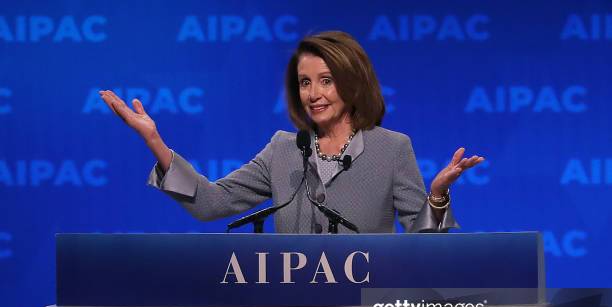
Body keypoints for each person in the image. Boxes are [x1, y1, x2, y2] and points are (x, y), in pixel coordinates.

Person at [99, 31, 484, 233]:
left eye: (326, 81)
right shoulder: (283, 149)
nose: (313, 94)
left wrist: (436, 197)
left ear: (352, 84)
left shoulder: (392, 149)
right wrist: (154, 140)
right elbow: (211, 203)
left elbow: (426, 248)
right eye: (304, 83)